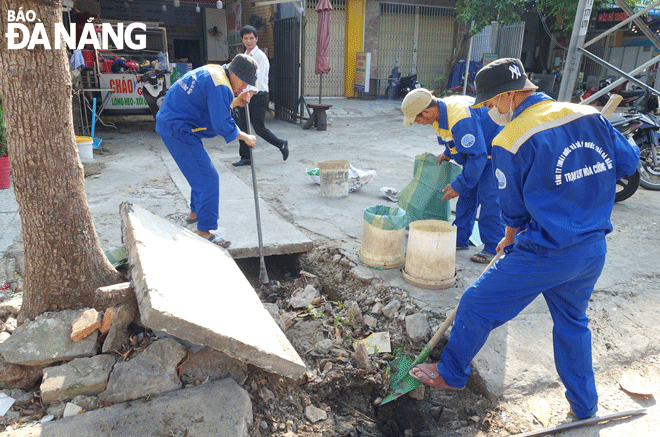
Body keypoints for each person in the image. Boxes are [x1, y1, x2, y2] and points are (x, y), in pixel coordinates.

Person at [408, 58, 640, 420]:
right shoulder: (588, 115)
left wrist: (510, 235)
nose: (488, 110)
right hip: (592, 250)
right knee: (572, 323)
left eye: (490, 103)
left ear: (511, 95)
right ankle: (584, 406)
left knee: (475, 303)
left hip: (546, 250)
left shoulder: (512, 138)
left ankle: (451, 373)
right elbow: (627, 163)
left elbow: (511, 209)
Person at [155, 54, 258, 248]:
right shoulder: (221, 85)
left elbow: (211, 103)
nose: (244, 87)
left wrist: (235, 101)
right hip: (179, 129)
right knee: (207, 177)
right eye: (244, 82)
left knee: (198, 172)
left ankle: (195, 214)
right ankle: (204, 231)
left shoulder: (217, 72)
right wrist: (246, 137)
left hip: (174, 121)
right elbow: (221, 123)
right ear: (235, 73)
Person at [401, 88, 504, 263]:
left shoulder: (460, 117)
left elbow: (477, 155)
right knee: (467, 196)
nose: (418, 122)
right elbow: (452, 136)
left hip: (493, 154)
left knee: (489, 199)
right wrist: (448, 151)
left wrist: (458, 184)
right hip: (478, 154)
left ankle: (493, 247)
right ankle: (459, 239)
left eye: (417, 119)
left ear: (426, 111)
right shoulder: (440, 113)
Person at [232, 25, 288, 167]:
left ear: (256, 39)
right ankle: (246, 157)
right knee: (242, 127)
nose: (249, 41)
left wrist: (248, 94)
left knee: (259, 128)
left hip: (258, 96)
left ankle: (281, 143)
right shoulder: (244, 56)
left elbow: (257, 81)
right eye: (246, 38)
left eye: (252, 38)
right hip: (246, 95)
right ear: (242, 40)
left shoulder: (261, 57)